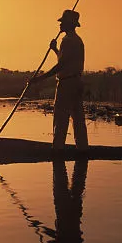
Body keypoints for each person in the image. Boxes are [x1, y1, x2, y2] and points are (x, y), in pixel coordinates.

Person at [30, 9, 89, 151]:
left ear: (69, 24)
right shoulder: (77, 40)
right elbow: (66, 61)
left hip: (67, 84)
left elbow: (61, 65)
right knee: (78, 119)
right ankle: (82, 150)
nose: (60, 25)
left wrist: (39, 79)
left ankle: (58, 151)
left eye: (63, 22)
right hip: (76, 83)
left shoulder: (68, 40)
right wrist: (55, 50)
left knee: (61, 119)